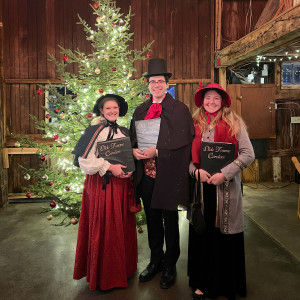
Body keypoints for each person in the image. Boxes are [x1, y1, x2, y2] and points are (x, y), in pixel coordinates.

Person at [130, 58, 194, 289]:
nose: (156, 85)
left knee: (170, 221)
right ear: (147, 84)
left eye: (160, 81)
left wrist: (156, 150)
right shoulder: (141, 110)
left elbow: (184, 140)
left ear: (167, 84)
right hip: (146, 175)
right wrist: (135, 151)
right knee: (152, 220)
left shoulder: (179, 110)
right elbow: (133, 137)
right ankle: (155, 260)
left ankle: (170, 264)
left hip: (168, 175)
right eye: (152, 81)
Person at [187, 83, 255, 300]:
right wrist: (194, 172)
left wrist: (225, 173)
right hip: (201, 190)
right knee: (203, 234)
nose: (212, 102)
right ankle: (202, 283)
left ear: (223, 101)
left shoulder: (234, 123)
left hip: (226, 189)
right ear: (202, 100)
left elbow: (247, 154)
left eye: (216, 98)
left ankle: (227, 284)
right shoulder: (193, 123)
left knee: (223, 235)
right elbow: (185, 157)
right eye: (208, 98)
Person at [72, 94, 140, 290]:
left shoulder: (124, 131)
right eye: (108, 108)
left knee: (120, 226)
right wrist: (110, 168)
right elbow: (85, 162)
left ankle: (122, 270)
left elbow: (127, 158)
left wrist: (127, 170)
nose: (112, 111)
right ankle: (104, 276)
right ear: (101, 110)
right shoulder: (93, 131)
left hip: (121, 187)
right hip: (102, 187)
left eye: (115, 108)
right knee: (105, 228)